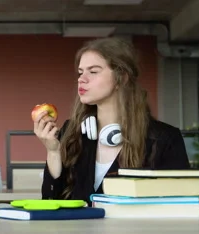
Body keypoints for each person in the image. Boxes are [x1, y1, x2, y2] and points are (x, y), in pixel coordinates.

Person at [33, 37, 190, 205]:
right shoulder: (71, 131)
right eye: (80, 72)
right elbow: (51, 202)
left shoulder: (164, 139)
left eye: (93, 72)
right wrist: (54, 152)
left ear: (121, 78)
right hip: (77, 231)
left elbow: (179, 205)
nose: (82, 79)